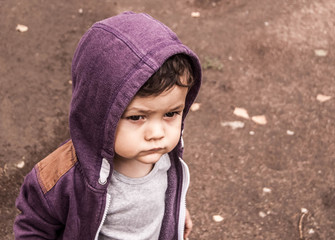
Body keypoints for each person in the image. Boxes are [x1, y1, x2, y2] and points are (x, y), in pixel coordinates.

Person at [14, 12, 201, 240]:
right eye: (137, 117)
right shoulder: (61, 177)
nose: (158, 133)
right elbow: (33, 228)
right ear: (99, 112)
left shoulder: (164, 155)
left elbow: (163, 193)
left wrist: (176, 212)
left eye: (171, 113)